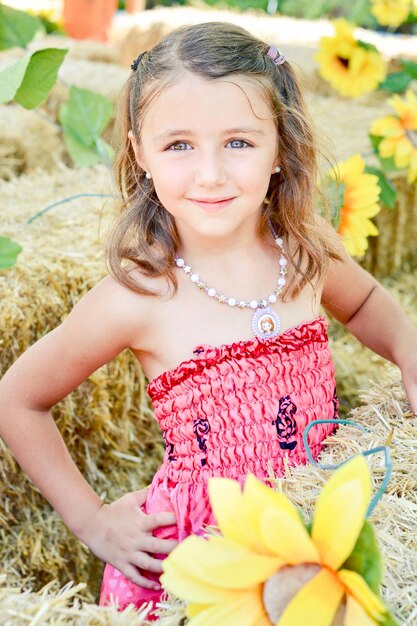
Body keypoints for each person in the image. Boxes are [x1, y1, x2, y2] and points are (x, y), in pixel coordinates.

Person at [0, 21, 416, 621]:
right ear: (140, 153)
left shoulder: (301, 247)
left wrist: (407, 348)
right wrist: (90, 519)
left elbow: (366, 303)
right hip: (201, 558)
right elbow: (17, 398)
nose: (212, 174)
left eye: (240, 143)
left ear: (281, 147)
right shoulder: (138, 293)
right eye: (179, 145)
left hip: (312, 528)